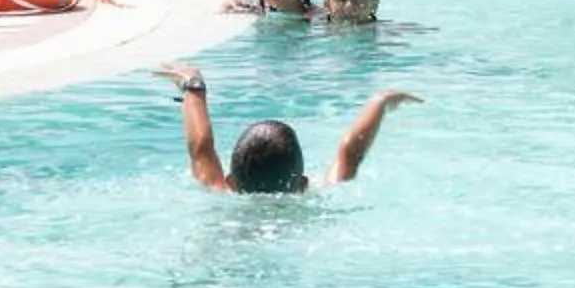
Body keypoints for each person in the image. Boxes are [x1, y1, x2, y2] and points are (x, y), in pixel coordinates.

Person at [156, 63, 420, 194]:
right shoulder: (312, 200)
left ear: (231, 182)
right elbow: (350, 152)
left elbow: (201, 148)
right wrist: (380, 100)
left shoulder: (222, 192)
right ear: (302, 184)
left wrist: (194, 85)